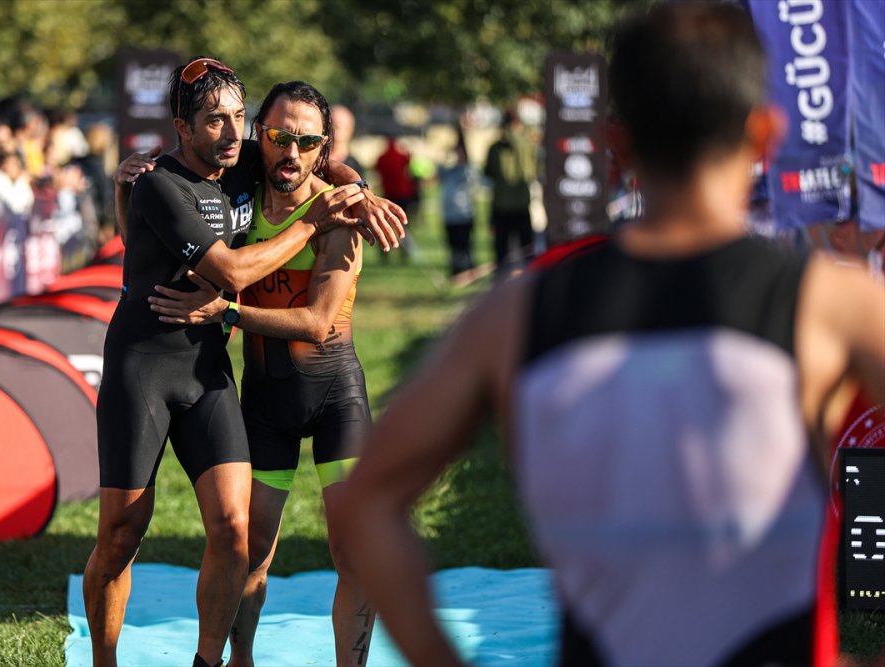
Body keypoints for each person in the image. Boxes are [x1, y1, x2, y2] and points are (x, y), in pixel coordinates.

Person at [328, 4, 885, 667]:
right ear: (765, 135)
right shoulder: (834, 305)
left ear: (615, 144)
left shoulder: (514, 316)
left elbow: (369, 502)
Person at [85, 57, 404, 667]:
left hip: (255, 381)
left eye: (238, 120)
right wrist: (125, 187)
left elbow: (315, 162)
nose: (235, 136)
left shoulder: (283, 185)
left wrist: (357, 189)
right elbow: (206, 264)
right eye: (216, 121)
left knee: (270, 539)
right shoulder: (189, 178)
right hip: (165, 374)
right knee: (130, 536)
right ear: (186, 125)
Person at [147, 81, 378, 667]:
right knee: (249, 552)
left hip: (335, 400)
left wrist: (225, 310)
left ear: (323, 147)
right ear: (259, 137)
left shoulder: (338, 210)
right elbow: (182, 177)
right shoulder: (239, 195)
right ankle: (240, 661)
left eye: (307, 142)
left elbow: (320, 323)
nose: (291, 153)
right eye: (278, 136)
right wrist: (132, 181)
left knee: (354, 554)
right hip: (266, 404)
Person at [483, 108, 537, 275]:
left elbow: (488, 173)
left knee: (502, 254)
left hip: (502, 205)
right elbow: (532, 172)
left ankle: (502, 286)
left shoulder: (495, 147)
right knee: (526, 251)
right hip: (521, 203)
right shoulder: (527, 145)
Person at [437, 133, 477, 277]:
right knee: (452, 245)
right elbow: (438, 171)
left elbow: (472, 178)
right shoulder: (448, 171)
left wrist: (463, 160)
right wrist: (447, 154)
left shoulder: (467, 170)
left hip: (464, 214)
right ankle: (455, 270)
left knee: (465, 245)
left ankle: (468, 270)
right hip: (449, 215)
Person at [330, 104, 364, 177]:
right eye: (328, 125)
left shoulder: (354, 168)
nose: (330, 131)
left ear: (349, 130)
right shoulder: (314, 162)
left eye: (336, 126)